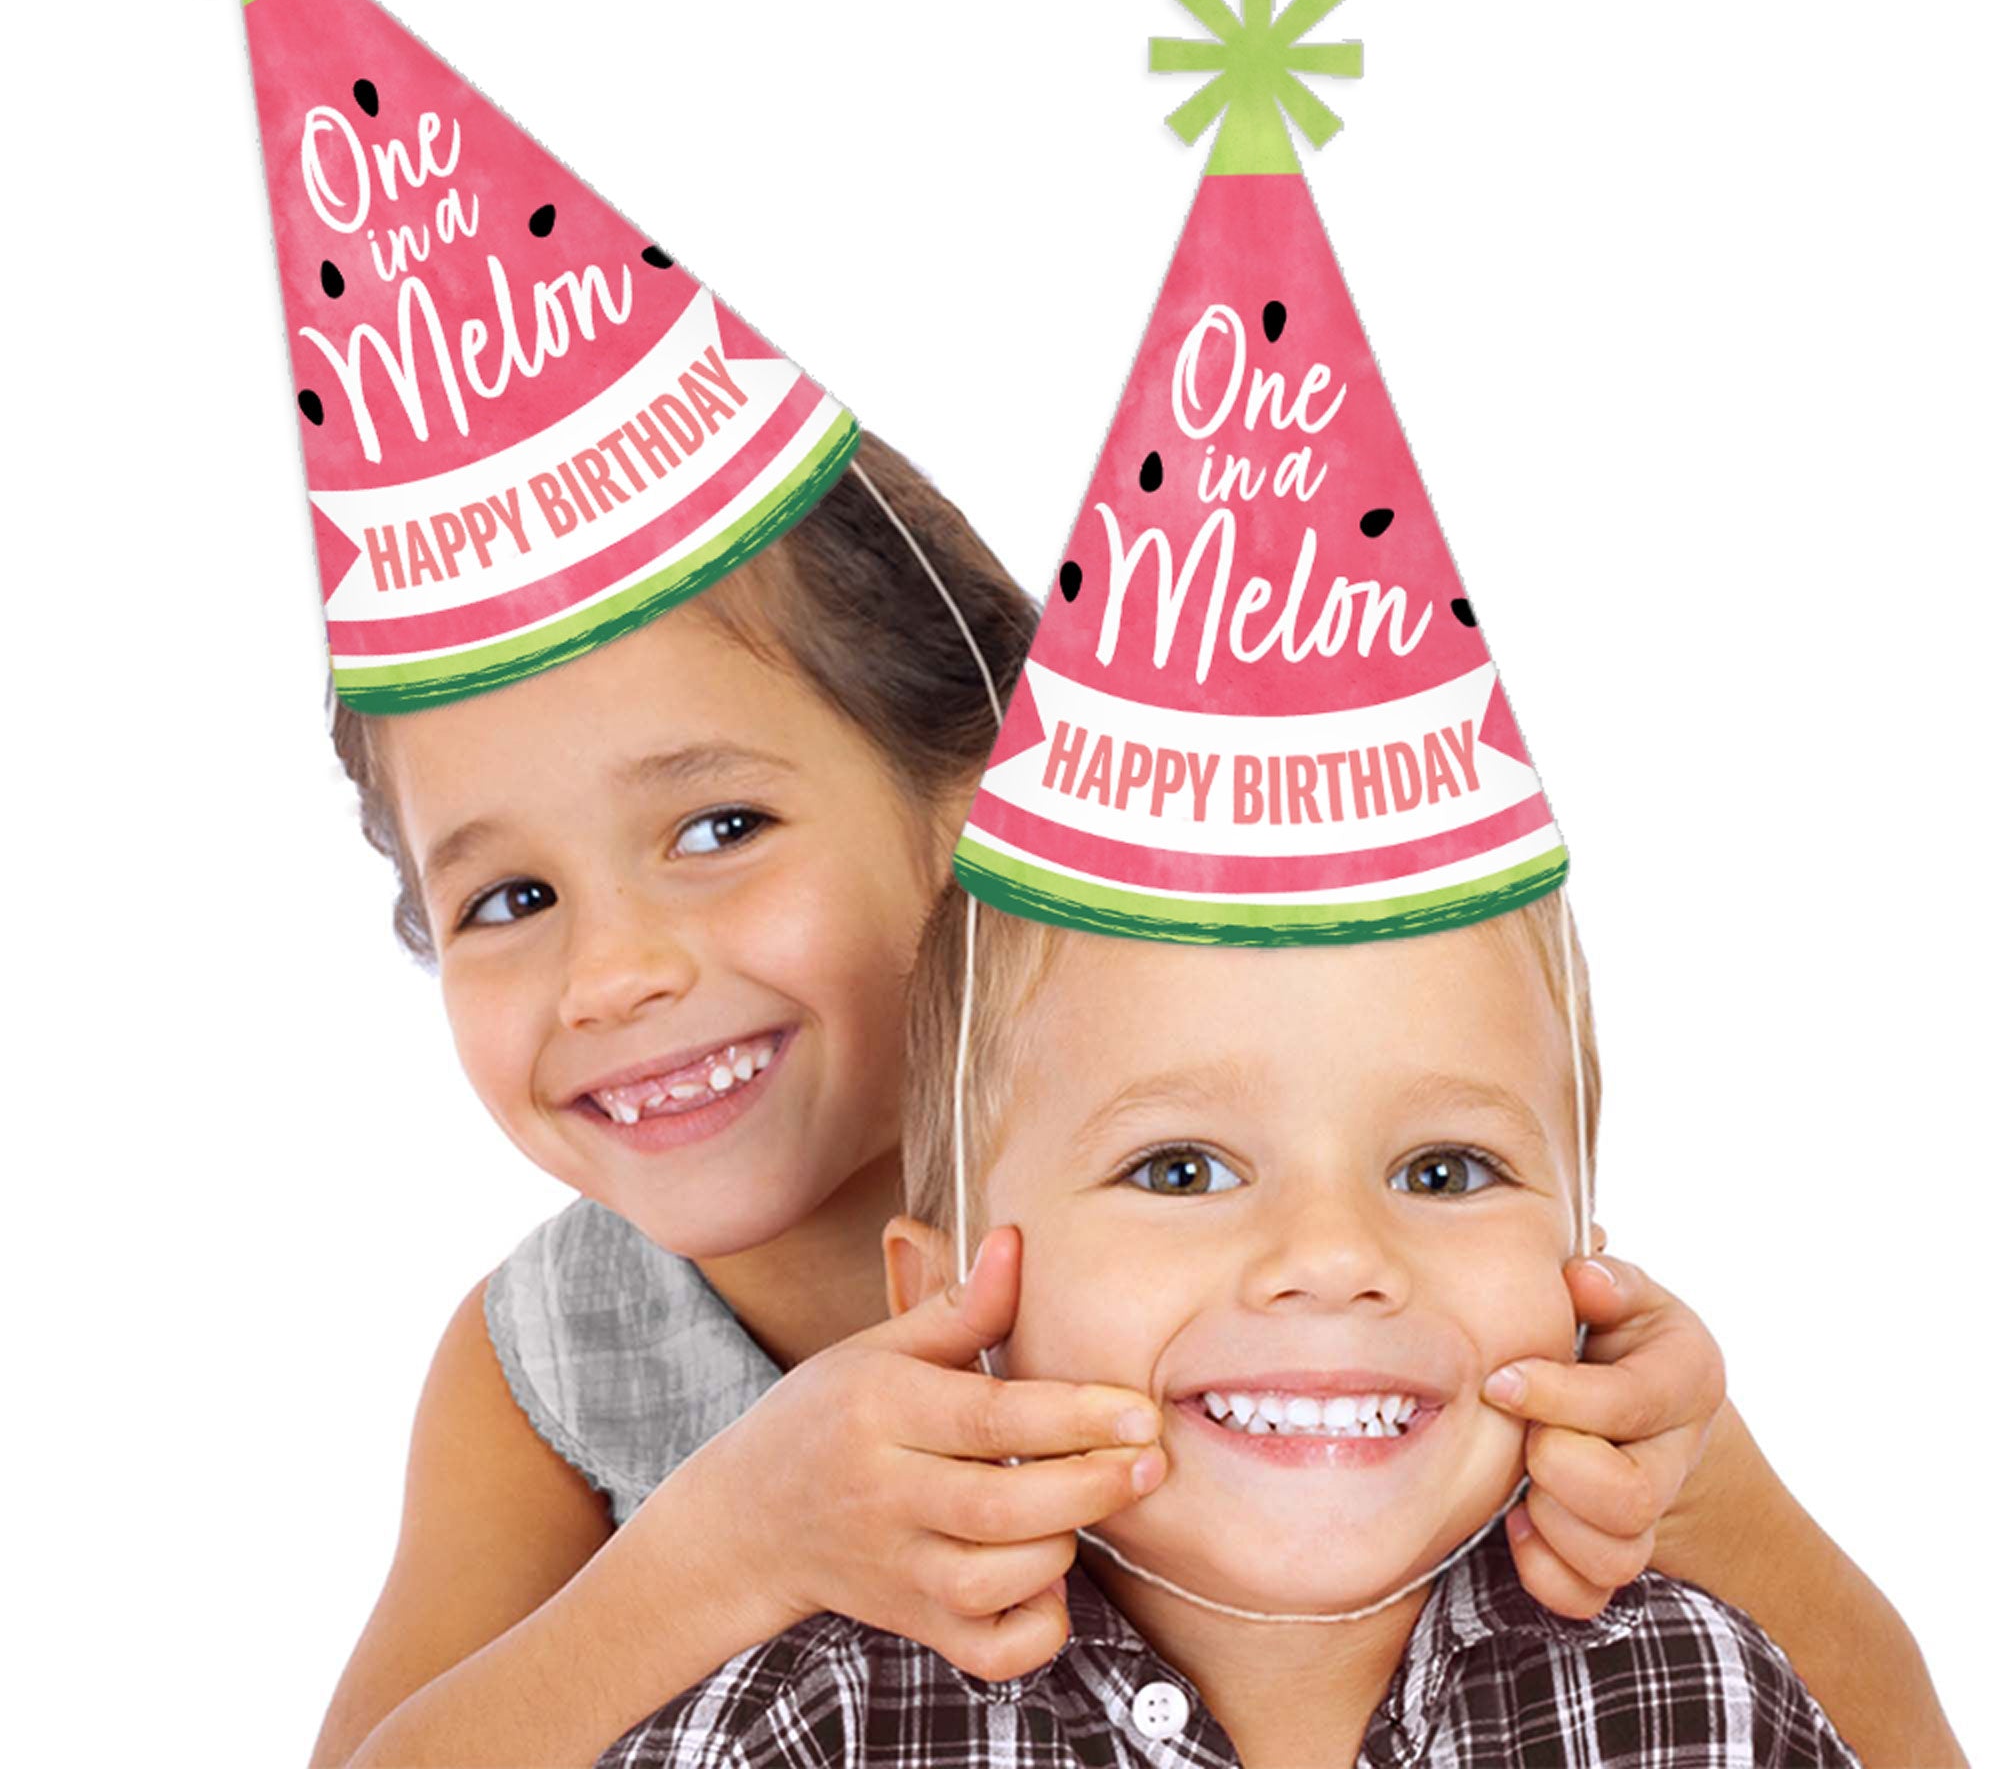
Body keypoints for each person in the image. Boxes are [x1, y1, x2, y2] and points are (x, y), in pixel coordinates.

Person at [310, 441, 1961, 1769]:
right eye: (506, 900)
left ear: (982, 799)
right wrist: (725, 1551)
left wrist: (1700, 1487)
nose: (614, 974)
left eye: (720, 829)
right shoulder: (556, 1358)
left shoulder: (1431, 1298)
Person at [597, 893, 1914, 1766]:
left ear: (1589, 1272)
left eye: (1446, 1171)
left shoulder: (1699, 1697)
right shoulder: (812, 1727)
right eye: (1180, 1171)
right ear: (943, 1304)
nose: (1334, 1258)